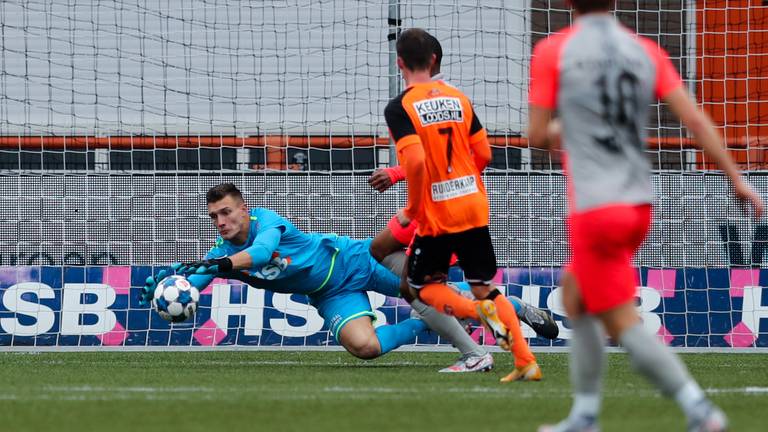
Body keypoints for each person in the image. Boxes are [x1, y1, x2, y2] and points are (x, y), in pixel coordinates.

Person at [527, 1, 764, 431]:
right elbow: (694, 119)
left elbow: (539, 136)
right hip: (637, 203)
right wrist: (737, 178)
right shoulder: (644, 50)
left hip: (595, 207)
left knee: (620, 320)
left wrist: (575, 125)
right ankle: (584, 414)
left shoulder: (554, 50)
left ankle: (700, 410)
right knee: (576, 296)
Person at [370, 33, 559, 374]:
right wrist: (463, 180)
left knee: (419, 288)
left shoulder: (400, 107)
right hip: (473, 203)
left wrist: (414, 207)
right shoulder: (459, 97)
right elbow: (484, 153)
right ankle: (525, 362)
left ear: (400, 63)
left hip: (437, 211)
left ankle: (476, 320)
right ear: (434, 60)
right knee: (484, 287)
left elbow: (414, 162)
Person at [139, 183, 428, 361]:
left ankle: (464, 312)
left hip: (354, 260)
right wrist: (169, 288)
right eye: (214, 216)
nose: (220, 221)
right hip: (329, 293)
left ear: (244, 209)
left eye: (226, 212)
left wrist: (220, 265)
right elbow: (194, 284)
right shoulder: (220, 254)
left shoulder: (265, 219)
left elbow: (262, 253)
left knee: (431, 295)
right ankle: (423, 323)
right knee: (365, 347)